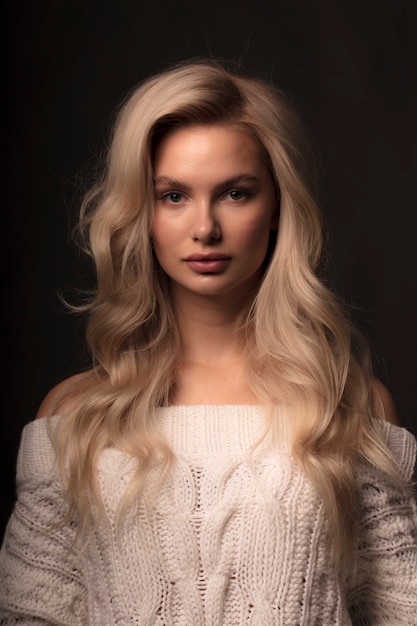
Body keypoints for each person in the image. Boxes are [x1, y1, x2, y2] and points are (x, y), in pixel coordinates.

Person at [0, 59, 416, 625]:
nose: (205, 228)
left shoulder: (350, 410)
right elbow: (33, 615)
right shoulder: (75, 417)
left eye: (236, 194)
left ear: (276, 207)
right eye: (173, 196)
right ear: (140, 212)